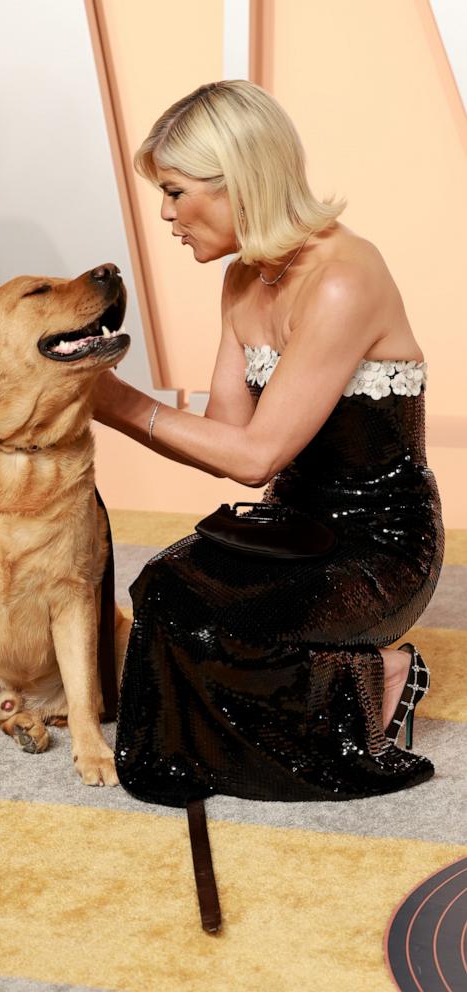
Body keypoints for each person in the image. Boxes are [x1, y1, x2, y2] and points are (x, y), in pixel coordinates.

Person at [91, 81, 443, 830]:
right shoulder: (242, 279)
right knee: (162, 591)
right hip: (289, 529)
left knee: (227, 631)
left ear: (238, 179)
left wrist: (118, 403)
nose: (164, 214)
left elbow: (254, 454)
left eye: (175, 191)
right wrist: (111, 403)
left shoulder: (344, 277)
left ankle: (376, 675)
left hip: (378, 548)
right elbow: (225, 441)